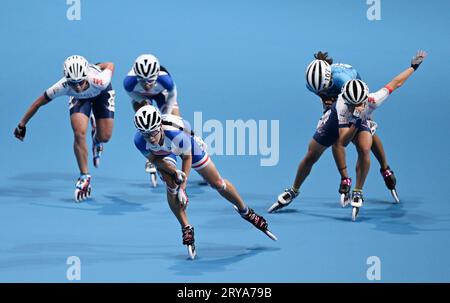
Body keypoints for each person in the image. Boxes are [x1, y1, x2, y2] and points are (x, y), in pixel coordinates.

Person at [268, 51, 427, 220]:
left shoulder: (369, 98)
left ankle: (372, 179)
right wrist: (336, 107)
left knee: (365, 145)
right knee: (313, 152)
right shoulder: (340, 105)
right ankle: (295, 189)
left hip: (356, 103)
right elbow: (343, 141)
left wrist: (413, 67)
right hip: (341, 109)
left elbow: (396, 83)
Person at [133, 105, 277, 259]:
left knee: (217, 183)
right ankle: (186, 227)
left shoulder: (176, 133)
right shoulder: (139, 141)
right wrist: (174, 174)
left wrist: (183, 188)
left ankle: (246, 212)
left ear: (160, 126)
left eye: (154, 132)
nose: (152, 138)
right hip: (164, 153)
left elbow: (187, 158)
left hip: (186, 144)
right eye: (146, 134)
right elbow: (155, 160)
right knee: (170, 183)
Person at [14, 55, 115, 202]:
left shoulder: (101, 80)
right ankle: (84, 176)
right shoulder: (62, 86)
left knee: (105, 136)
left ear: (86, 75)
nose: (78, 87)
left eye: (80, 82)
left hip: (101, 93)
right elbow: (37, 104)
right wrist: (22, 124)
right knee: (79, 133)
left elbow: (111, 64)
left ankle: (97, 138)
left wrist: (98, 66)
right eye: (73, 83)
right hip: (79, 100)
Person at [305, 51, 399, 205]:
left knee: (365, 132)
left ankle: (385, 168)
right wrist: (328, 102)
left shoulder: (344, 80)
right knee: (339, 134)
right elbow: (322, 94)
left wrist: (356, 115)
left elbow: (355, 98)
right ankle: (345, 178)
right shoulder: (312, 84)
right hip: (336, 95)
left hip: (354, 93)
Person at [124, 54, 180, 186]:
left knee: (176, 122)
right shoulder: (129, 82)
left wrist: (166, 116)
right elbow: (132, 94)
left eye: (150, 80)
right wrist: (144, 102)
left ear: (156, 76)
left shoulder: (165, 80)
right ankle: (151, 153)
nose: (147, 84)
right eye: (142, 81)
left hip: (162, 95)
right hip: (142, 97)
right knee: (146, 120)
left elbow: (172, 96)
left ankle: (194, 154)